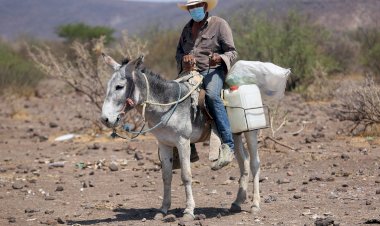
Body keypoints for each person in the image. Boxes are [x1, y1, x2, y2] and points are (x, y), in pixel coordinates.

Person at [176, 0, 237, 170]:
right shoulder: (187, 29)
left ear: (205, 6)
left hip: (213, 71)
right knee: (175, 95)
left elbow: (232, 51)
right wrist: (184, 61)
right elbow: (179, 53)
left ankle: (228, 145)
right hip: (191, 72)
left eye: (197, 6)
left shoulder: (219, 24)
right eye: (191, 7)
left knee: (210, 95)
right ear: (188, 9)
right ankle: (188, 147)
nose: (194, 9)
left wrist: (219, 58)